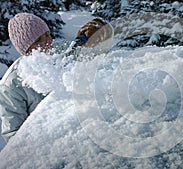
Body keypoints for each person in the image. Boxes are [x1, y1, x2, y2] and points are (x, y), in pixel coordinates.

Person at [0, 13, 110, 143]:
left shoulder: (57, 53)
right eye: (38, 40)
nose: (48, 41)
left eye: (47, 35)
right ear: (25, 48)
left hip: (80, 130)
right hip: (49, 145)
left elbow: (80, 53)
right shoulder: (12, 84)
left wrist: (92, 38)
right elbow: (13, 135)